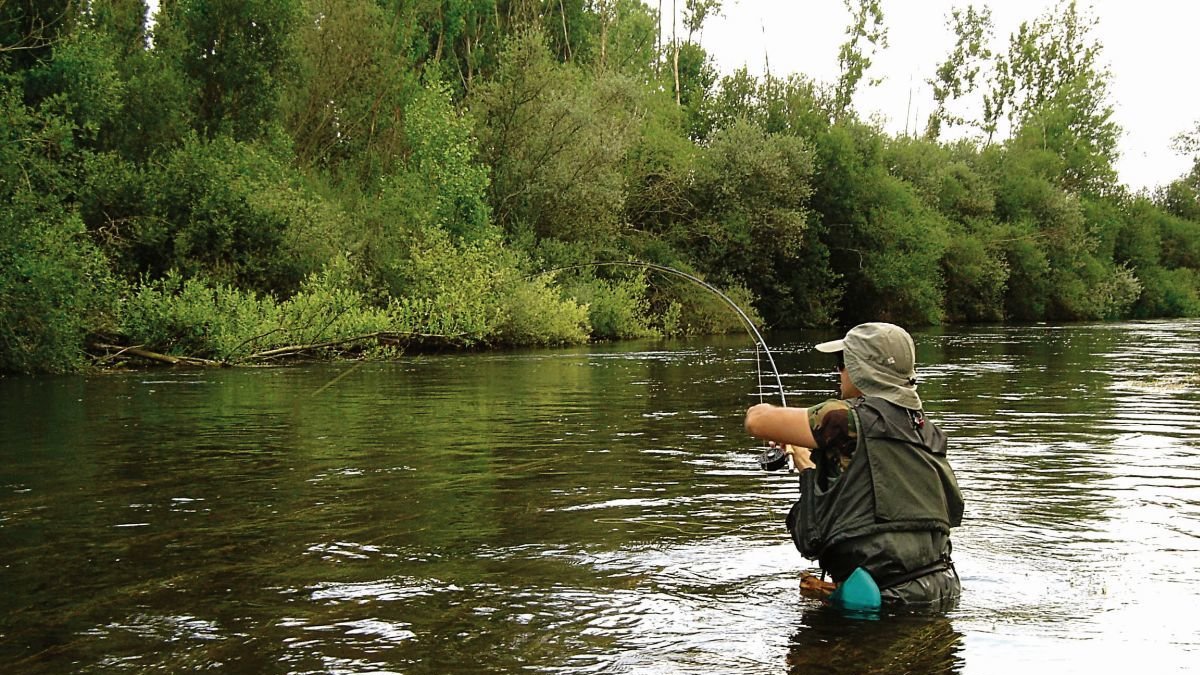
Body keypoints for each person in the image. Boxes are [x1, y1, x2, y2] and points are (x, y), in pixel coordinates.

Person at [744, 322, 964, 607]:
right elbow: (871, 487)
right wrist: (805, 460)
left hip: (876, 599)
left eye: (842, 362)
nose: (839, 371)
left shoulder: (839, 418)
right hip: (940, 589)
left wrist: (776, 418)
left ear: (862, 370)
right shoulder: (925, 429)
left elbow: (755, 420)